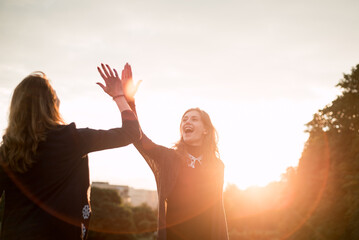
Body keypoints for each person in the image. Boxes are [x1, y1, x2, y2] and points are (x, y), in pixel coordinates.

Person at [0, 64, 141, 240]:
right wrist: (120, 96)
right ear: (53, 104)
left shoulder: (7, 150)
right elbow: (131, 132)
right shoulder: (71, 138)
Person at [121, 63, 229, 240]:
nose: (187, 122)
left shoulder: (217, 166)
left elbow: (217, 212)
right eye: (184, 119)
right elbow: (139, 139)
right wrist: (129, 102)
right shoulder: (169, 158)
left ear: (205, 130)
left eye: (194, 119)